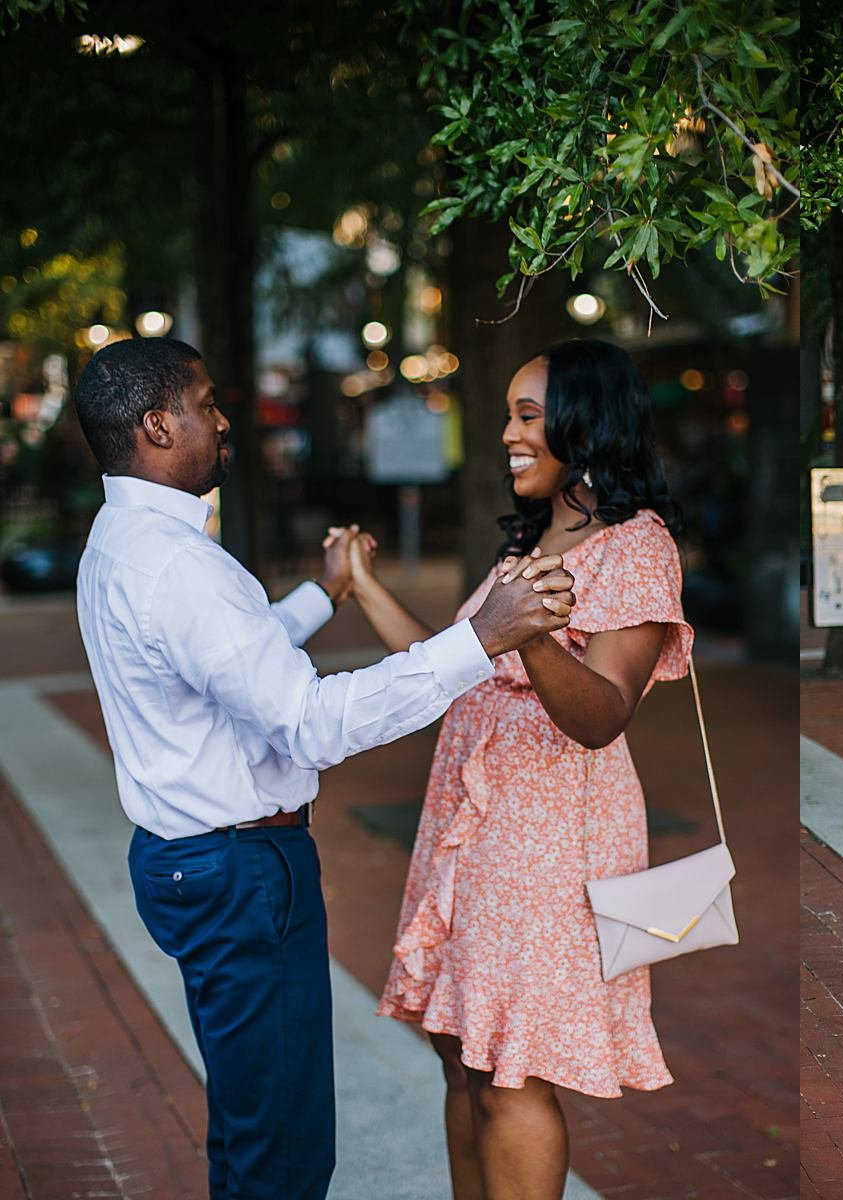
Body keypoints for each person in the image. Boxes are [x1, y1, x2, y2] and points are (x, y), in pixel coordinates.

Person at [70, 336, 575, 1200]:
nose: (225, 421)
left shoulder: (123, 540)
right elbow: (307, 723)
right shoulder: (179, 566)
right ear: (157, 426)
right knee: (284, 1154)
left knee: (249, 1127)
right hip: (239, 873)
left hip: (191, 861)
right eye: (206, 403)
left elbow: (229, 657)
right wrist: (479, 639)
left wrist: (327, 591)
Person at [354, 339, 693, 1200]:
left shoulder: (635, 546)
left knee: (511, 1067)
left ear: (585, 424)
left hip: (549, 841)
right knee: (462, 1050)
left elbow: (604, 713)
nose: (507, 433)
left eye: (527, 416)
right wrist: (360, 583)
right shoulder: (537, 539)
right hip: (470, 827)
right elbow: (446, 662)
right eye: (508, 413)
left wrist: (529, 630)